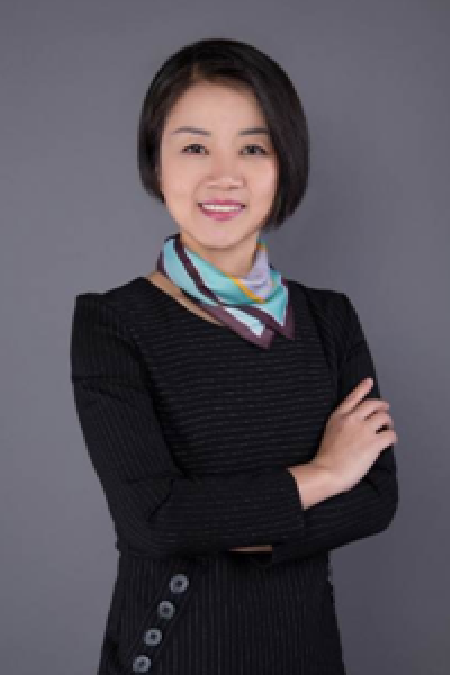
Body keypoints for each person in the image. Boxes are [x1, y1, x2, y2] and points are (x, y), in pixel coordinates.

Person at [70, 37, 399, 675]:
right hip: (173, 654)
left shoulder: (330, 318)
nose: (224, 176)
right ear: (156, 162)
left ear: (285, 165)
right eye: (195, 147)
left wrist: (222, 520)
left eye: (253, 148)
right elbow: (152, 520)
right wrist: (324, 475)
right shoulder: (113, 323)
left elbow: (377, 497)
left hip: (307, 655)